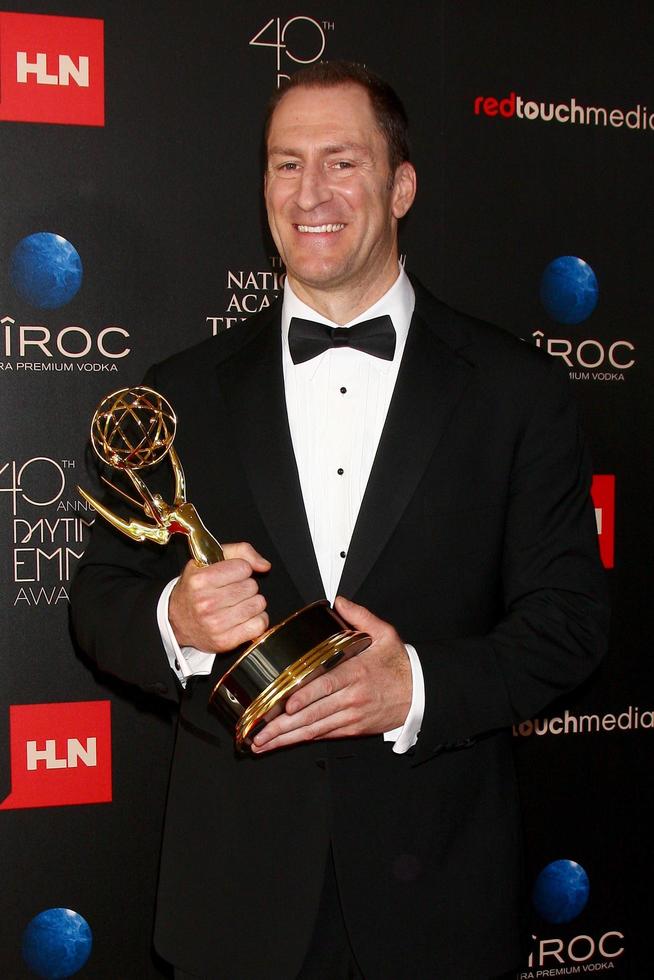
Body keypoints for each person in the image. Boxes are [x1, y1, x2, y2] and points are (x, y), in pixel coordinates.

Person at [71, 61, 609, 980]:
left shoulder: (519, 391)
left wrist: (419, 690)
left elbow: (571, 623)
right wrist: (175, 621)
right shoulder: (177, 393)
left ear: (400, 186)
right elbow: (98, 601)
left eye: (341, 161)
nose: (310, 192)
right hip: (235, 902)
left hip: (438, 893)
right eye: (286, 164)